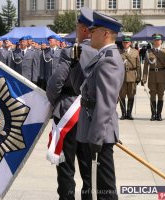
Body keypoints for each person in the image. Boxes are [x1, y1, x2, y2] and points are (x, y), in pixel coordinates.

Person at [46, 7, 97, 200]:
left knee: (66, 167)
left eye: (77, 27)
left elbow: (54, 84)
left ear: (84, 30)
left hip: (68, 111)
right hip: (91, 115)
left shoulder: (71, 52)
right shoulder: (103, 53)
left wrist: (56, 102)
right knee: (88, 168)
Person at [76, 11, 124, 200]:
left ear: (105, 34)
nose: (89, 34)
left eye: (94, 31)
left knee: (104, 189)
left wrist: (95, 138)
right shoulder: (103, 55)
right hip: (93, 129)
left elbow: (105, 103)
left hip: (99, 134)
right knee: (96, 186)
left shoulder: (109, 59)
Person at [142, 33, 165, 121]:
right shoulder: (149, 52)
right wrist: (144, 79)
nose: (157, 42)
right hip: (152, 77)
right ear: (153, 41)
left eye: (158, 40)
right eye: (155, 40)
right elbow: (146, 67)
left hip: (162, 76)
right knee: (152, 96)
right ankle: (153, 114)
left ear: (161, 41)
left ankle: (159, 114)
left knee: (161, 96)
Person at [119, 36, 141, 120]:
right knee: (122, 96)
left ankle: (129, 113)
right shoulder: (119, 52)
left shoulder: (135, 52)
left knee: (131, 95)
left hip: (132, 75)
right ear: (122, 43)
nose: (125, 44)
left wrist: (138, 77)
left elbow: (138, 65)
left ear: (130, 43)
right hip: (122, 77)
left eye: (127, 42)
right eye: (124, 42)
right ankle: (123, 113)